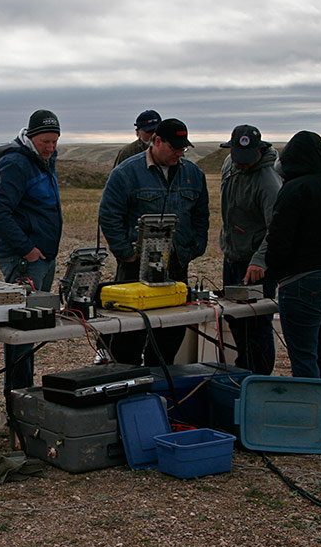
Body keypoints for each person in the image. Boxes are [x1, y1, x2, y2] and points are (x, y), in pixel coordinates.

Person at [98, 117, 209, 364]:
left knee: (171, 332)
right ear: (157, 141)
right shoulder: (126, 173)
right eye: (174, 148)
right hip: (135, 270)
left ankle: (159, 385)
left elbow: (201, 214)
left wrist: (194, 248)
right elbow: (109, 215)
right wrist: (126, 253)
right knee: (130, 334)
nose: (179, 154)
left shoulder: (193, 174)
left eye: (183, 149)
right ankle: (128, 387)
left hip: (177, 266)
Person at [265, 130, 321, 380]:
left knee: (303, 356)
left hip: (303, 283)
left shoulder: (294, 189)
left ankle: (312, 413)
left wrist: (276, 270)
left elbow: (279, 240)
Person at [0, 109, 63, 394]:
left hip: (43, 258)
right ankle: (18, 402)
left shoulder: (45, 160)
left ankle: (25, 399)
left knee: (33, 329)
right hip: (24, 260)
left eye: (55, 142)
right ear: (31, 137)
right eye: (45, 141)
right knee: (22, 333)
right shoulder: (16, 164)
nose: (50, 148)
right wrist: (28, 250)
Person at [218, 125, 282, 375]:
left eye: (248, 160)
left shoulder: (268, 180)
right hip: (233, 255)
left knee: (257, 322)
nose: (243, 164)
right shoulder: (229, 164)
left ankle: (260, 376)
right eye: (238, 158)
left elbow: (276, 227)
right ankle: (244, 369)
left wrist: (260, 260)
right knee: (235, 317)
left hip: (256, 264)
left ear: (260, 149)